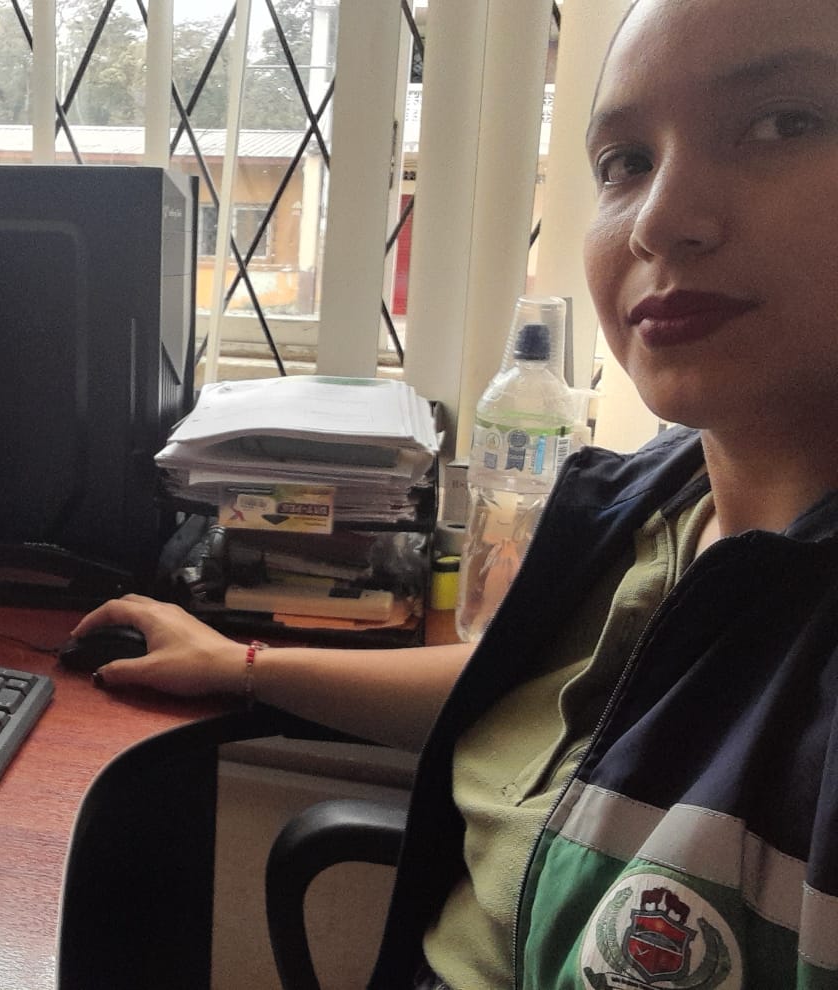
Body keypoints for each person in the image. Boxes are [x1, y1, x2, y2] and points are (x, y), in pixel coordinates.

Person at [73, 0, 838, 986]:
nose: (658, 221)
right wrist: (244, 664)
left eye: (785, 122)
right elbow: (523, 692)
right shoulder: (661, 507)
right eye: (626, 161)